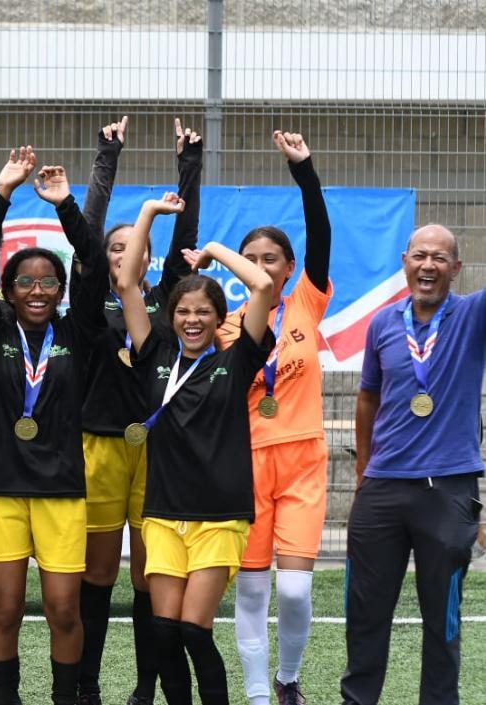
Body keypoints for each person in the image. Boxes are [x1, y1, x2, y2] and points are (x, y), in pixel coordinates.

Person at [114, 192, 275, 705]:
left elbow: (263, 284)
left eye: (204, 312)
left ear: (218, 318)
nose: (191, 319)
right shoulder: (155, 352)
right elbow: (125, 282)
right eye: (183, 311)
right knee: (162, 631)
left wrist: (211, 250)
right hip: (162, 512)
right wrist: (147, 215)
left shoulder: (238, 359)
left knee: (193, 630)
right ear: (172, 316)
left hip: (219, 514)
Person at [0, 147, 108, 705]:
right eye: (26, 283)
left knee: (63, 609)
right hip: (1, 490)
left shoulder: (78, 334)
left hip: (62, 492)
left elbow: (94, 265)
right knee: (2, 609)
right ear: (8, 292)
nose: (39, 292)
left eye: (49, 283)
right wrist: (1, 195)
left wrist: (66, 204)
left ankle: (64, 697)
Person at [77, 118, 201, 705]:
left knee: (151, 578)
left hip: (158, 451)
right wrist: (108, 154)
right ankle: (88, 682)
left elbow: (186, 238)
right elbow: (90, 228)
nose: (126, 254)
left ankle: (147, 686)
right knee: (97, 575)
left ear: (152, 257)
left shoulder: (172, 300)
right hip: (100, 445)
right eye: (116, 248)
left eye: (137, 248)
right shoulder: (92, 299)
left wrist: (189, 167)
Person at [341, 224, 484, 705]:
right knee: (364, 612)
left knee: (441, 618)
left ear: (457, 269)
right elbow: (367, 397)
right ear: (404, 261)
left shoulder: (471, 316)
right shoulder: (383, 324)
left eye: (440, 258)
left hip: (447, 491)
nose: (428, 265)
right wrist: (364, 469)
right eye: (420, 256)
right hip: (382, 488)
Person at [221, 132, 332, 705]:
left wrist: (304, 171)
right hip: (247, 465)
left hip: (303, 461)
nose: (261, 266)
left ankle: (290, 677)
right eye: (252, 258)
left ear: (289, 268)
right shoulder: (222, 325)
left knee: (292, 590)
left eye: (271, 259)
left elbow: (321, 234)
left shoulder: (308, 303)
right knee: (252, 591)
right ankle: (263, 695)